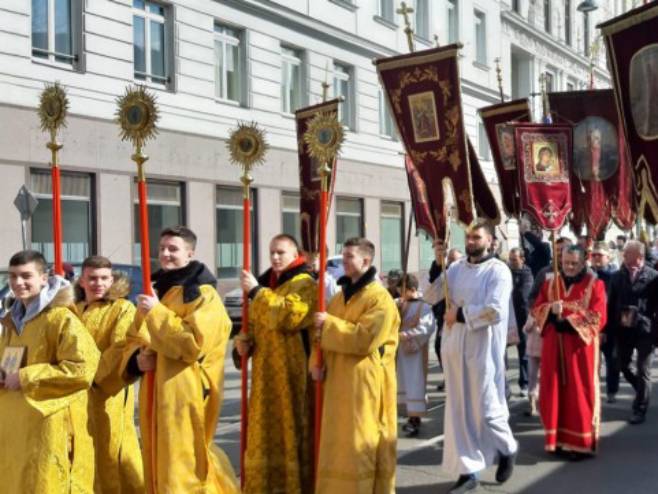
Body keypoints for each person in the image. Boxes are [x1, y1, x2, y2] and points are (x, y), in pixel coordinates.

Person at [121, 226, 238, 493]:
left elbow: (193, 345)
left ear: (189, 253)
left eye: (173, 249)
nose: (165, 254)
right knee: (159, 458)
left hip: (185, 392)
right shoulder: (158, 291)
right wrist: (137, 360)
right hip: (155, 391)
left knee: (183, 463)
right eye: (162, 248)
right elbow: (134, 335)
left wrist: (157, 314)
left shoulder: (202, 294)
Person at [425, 221, 518, 493]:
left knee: (488, 410)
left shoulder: (499, 271)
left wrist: (462, 315)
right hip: (455, 347)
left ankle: (507, 448)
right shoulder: (455, 268)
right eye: (468, 237)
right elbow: (432, 296)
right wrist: (437, 263)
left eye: (476, 237)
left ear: (490, 241)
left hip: (482, 349)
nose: (471, 241)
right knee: (458, 411)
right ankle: (468, 472)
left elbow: (495, 310)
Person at [0, 250, 100, 492]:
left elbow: (82, 368)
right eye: (13, 276)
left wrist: (26, 377)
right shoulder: (12, 320)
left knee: (46, 482)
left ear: (44, 278)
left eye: (26, 276)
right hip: (16, 420)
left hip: (48, 422)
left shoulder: (60, 318)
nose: (18, 283)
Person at [312, 237, 400, 493]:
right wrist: (314, 362)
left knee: (360, 441)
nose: (344, 261)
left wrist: (328, 324)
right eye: (343, 255)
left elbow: (365, 339)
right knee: (336, 443)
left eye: (349, 256)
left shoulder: (379, 299)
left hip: (364, 385)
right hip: (336, 380)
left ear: (366, 260)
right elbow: (319, 334)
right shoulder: (339, 297)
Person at [237, 234, 316, 494]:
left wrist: (257, 292)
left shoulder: (304, 283)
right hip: (263, 374)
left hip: (291, 376)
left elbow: (287, 316)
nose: (275, 257)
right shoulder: (268, 284)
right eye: (272, 252)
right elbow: (254, 327)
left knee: (289, 433)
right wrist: (242, 346)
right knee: (263, 436)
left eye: (281, 252)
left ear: (295, 255)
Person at [75, 256, 144, 493]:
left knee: (111, 452)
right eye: (92, 278)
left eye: (104, 278)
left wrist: (92, 377)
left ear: (111, 279)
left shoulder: (122, 308)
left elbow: (119, 348)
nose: (98, 283)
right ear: (82, 280)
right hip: (73, 396)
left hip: (106, 392)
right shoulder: (71, 309)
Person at [531, 246, 607, 456]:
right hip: (554, 347)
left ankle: (581, 442)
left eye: (574, 263)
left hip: (579, 350)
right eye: (565, 263)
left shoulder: (595, 285)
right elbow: (536, 309)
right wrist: (549, 311)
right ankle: (557, 440)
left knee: (579, 393)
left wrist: (570, 322)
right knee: (554, 392)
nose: (569, 267)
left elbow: (598, 316)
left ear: (583, 263)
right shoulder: (550, 284)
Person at [607, 240, 658, 424]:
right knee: (623, 365)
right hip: (623, 330)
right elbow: (610, 304)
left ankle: (640, 409)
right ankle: (642, 389)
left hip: (646, 330)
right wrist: (608, 329)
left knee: (644, 369)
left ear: (639, 257)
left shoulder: (653, 277)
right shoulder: (616, 276)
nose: (623, 255)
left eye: (627, 253)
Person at [396, 273, 435, 436]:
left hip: (415, 353)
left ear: (412, 289)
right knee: (402, 383)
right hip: (401, 353)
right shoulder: (399, 304)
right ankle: (408, 415)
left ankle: (415, 419)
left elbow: (427, 327)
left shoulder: (424, 307)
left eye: (402, 291)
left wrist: (407, 335)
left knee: (415, 383)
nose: (400, 294)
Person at [428, 242, 462, 391]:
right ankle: (448, 375)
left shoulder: (465, 272)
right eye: (450, 259)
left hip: (461, 318)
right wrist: (438, 260)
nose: (453, 262)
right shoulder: (445, 270)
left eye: (456, 260)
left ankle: (458, 377)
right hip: (444, 315)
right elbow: (434, 279)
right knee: (439, 346)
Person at [590, 242, 620, 403]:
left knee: (611, 360)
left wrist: (606, 330)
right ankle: (592, 390)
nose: (595, 258)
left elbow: (612, 305)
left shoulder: (614, 276)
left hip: (609, 326)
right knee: (591, 362)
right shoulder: (587, 275)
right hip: (590, 327)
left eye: (599, 255)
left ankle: (611, 390)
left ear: (608, 257)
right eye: (593, 255)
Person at [508, 247, 533, 397]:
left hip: (521, 319)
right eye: (510, 260)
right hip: (507, 318)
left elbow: (524, 296)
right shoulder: (506, 271)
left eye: (514, 260)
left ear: (522, 259)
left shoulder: (527, 274)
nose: (511, 263)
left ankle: (525, 383)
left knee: (523, 353)